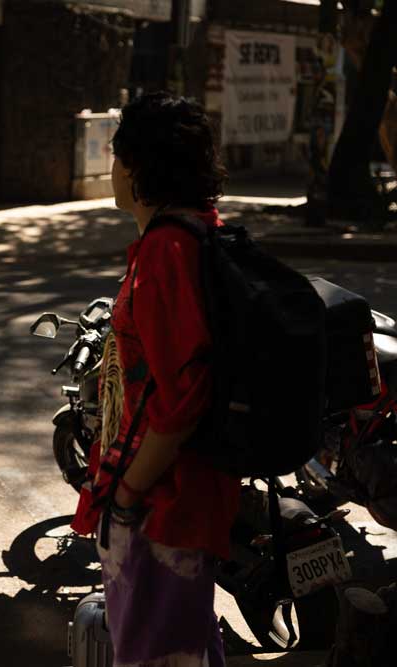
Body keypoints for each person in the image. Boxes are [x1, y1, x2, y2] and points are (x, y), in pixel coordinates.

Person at [71, 92, 240, 666]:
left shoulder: (169, 250)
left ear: (141, 167)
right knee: (187, 645)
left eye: (120, 156)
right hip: (183, 492)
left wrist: (126, 495)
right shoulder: (195, 232)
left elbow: (182, 396)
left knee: (154, 653)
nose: (113, 168)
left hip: (165, 502)